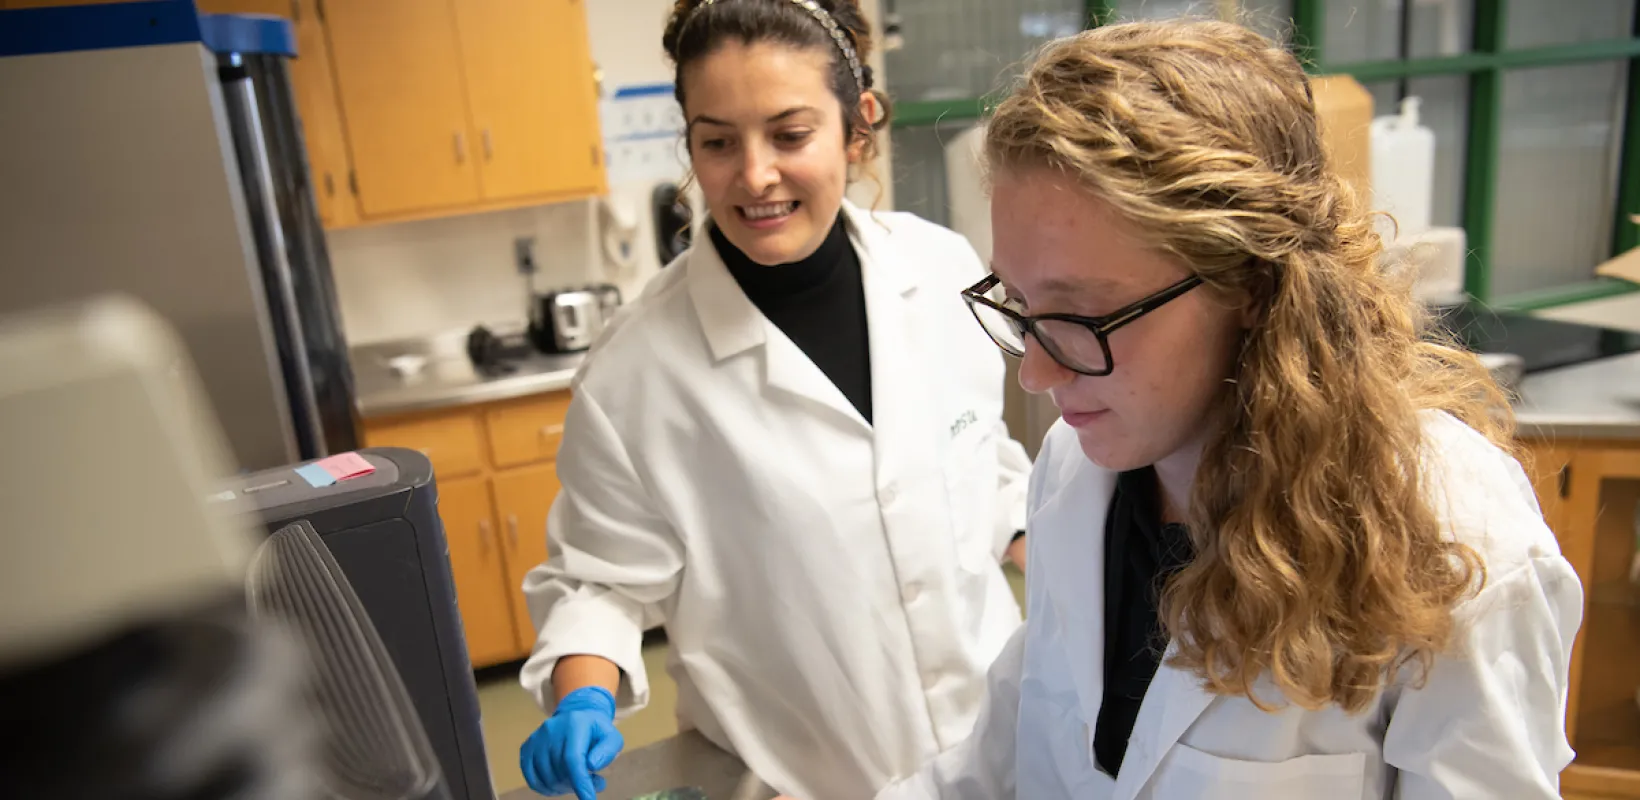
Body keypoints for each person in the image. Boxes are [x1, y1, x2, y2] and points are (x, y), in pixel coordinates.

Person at [868, 18, 1584, 800]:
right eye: (1019, 303)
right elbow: (1014, 744)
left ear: (1251, 284)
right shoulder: (1077, 469)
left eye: (1084, 315)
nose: (1037, 373)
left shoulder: (1456, 547)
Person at [514, 1, 1033, 798]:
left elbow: (986, 466)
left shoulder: (943, 270)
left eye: (789, 135)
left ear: (858, 127)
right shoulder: (636, 375)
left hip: (1007, 746)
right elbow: (599, 583)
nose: (754, 175)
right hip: (806, 782)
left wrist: (1066, 552)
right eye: (718, 142)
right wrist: (584, 695)